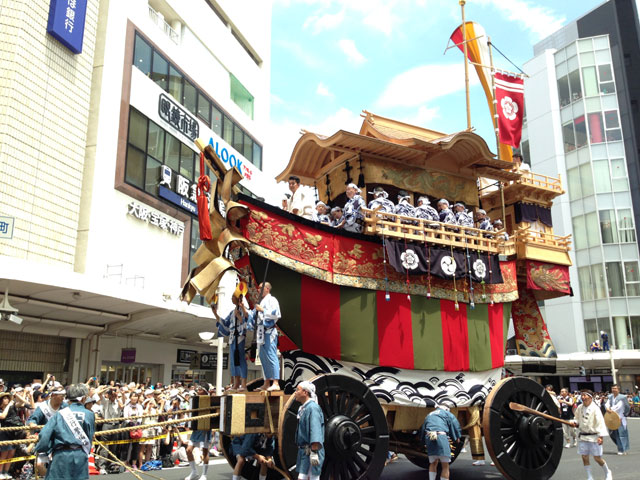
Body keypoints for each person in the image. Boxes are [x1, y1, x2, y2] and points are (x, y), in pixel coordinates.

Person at [34, 383, 96, 480]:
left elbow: (45, 435)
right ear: (83, 398)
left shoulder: (60, 414)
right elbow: (90, 436)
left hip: (61, 455)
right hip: (80, 454)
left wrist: (43, 451)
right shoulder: (89, 414)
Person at [571, 389, 612, 480]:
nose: (583, 397)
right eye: (582, 395)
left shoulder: (595, 408)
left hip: (594, 436)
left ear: (590, 397)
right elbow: (576, 418)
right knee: (584, 457)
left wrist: (600, 436)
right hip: (583, 436)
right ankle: (590, 476)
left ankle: (607, 471)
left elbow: (600, 423)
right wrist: (575, 422)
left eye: (585, 395)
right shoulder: (579, 407)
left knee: (597, 458)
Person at [27, 388, 67, 477]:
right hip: (45, 441)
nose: (63, 398)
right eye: (61, 396)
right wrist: (32, 423)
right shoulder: (43, 407)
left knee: (59, 466)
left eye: (64, 396)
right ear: (53, 395)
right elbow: (33, 418)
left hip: (60, 440)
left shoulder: (65, 407)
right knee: (39, 465)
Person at [216, 289, 250, 392]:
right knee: (233, 361)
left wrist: (239, 316)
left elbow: (247, 321)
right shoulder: (232, 312)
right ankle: (236, 383)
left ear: (237, 298)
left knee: (240, 360)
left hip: (239, 336)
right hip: (232, 337)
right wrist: (215, 313)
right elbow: (225, 323)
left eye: (233, 297)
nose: (231, 299)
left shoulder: (244, 309)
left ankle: (243, 383)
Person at [422, 404, 462, 480]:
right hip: (441, 437)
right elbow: (455, 425)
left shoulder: (429, 415)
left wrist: (423, 442)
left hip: (429, 437)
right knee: (445, 465)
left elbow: (423, 428)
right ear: (447, 408)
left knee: (433, 463)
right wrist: (456, 437)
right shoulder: (447, 413)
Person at [254, 282, 282, 391]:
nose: (258, 290)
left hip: (269, 331)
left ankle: (275, 382)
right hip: (261, 332)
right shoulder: (261, 301)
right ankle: (266, 382)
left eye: (260, 288)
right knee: (262, 356)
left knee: (271, 355)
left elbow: (277, 314)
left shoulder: (272, 300)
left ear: (267, 289)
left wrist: (263, 310)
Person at [294, 381, 324, 480]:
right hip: (306, 451)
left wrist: (314, 452)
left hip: (311, 451)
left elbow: (315, 430)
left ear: (305, 392)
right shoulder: (305, 408)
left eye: (297, 390)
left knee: (311, 478)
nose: (295, 392)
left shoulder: (312, 408)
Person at [184, 385, 212, 480]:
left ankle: (204, 474)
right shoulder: (195, 399)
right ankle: (194, 472)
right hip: (196, 428)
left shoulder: (209, 400)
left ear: (204, 391)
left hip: (204, 427)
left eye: (200, 389)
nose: (198, 391)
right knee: (188, 450)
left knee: (205, 451)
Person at [0, 391, 26, 479]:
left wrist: (16, 394)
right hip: (4, 433)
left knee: (11, 453)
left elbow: (23, 402)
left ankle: (6, 472)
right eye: (4, 398)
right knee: (4, 454)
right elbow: (3, 416)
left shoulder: (13, 406)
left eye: (7, 398)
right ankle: (0, 472)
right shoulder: (1, 409)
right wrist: (8, 405)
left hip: (14, 433)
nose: (6, 399)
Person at [605, 384, 630, 455]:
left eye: (615, 388)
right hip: (611, 417)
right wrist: (607, 408)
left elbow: (619, 406)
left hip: (620, 417)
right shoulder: (610, 397)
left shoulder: (622, 397)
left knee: (621, 434)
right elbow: (607, 404)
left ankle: (622, 449)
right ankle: (620, 446)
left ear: (618, 389)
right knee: (613, 433)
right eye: (613, 388)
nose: (614, 390)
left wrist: (610, 409)